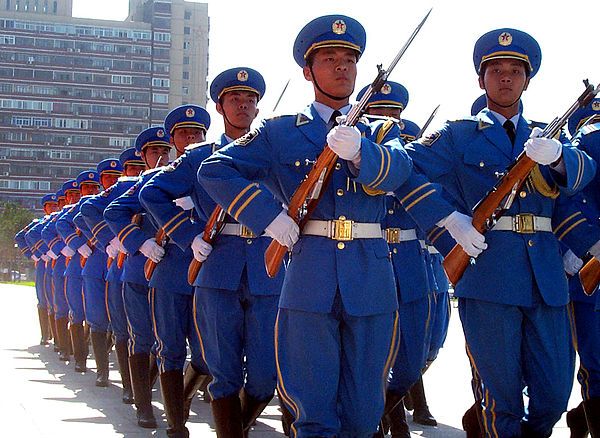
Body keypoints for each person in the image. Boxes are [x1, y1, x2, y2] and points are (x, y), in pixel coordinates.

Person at [197, 15, 479, 437]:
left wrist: (363, 153)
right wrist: (271, 219)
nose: (342, 66)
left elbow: (402, 171)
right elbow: (215, 169)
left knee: (365, 407)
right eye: (330, 59)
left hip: (371, 276)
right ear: (308, 71)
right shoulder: (280, 132)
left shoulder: (382, 130)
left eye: (349, 59)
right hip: (310, 274)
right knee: (312, 404)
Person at [397, 28, 596, 437]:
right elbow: (405, 172)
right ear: (481, 79)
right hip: (488, 275)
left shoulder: (548, 135)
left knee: (555, 395)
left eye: (515, 70)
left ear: (527, 79)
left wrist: (559, 157)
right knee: (498, 397)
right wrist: (449, 223)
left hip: (545, 279)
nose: (506, 77)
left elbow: (583, 174)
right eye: (496, 70)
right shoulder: (457, 135)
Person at [140, 69, 286, 437]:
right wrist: (188, 236)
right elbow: (151, 194)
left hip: (267, 269)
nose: (244, 105)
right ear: (220, 107)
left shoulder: (274, 151)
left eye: (250, 99)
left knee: (266, 379)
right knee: (223, 373)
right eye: (235, 99)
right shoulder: (200, 157)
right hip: (218, 266)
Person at [355, 82, 436, 437]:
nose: (386, 121)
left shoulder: (412, 156)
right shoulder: (350, 150)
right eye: (378, 113)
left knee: (412, 359)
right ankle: (387, 421)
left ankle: (389, 407)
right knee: (370, 356)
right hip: (368, 260)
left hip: (408, 262)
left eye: (393, 115)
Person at [136, 104, 212, 438]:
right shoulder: (155, 178)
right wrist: (141, 242)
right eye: (184, 134)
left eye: (197, 133)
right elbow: (119, 210)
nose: (192, 138)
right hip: (169, 271)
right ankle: (176, 423)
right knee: (170, 348)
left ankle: (180, 398)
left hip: (209, 274)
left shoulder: (217, 168)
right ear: (173, 140)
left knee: (207, 356)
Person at [104, 127, 171, 429]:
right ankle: (143, 404)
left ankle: (152, 389)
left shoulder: (181, 178)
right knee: (142, 337)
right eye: (155, 152)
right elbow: (98, 210)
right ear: (143, 156)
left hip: (174, 273)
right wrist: (131, 240)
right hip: (139, 273)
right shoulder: (130, 184)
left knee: (171, 345)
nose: (162, 157)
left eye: (165, 151)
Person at [80, 148, 146, 405]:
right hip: (121, 269)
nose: (137, 172)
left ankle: (145, 383)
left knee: (151, 336)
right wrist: (110, 240)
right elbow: (83, 212)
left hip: (156, 268)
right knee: (122, 330)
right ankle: (126, 384)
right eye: (132, 168)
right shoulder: (120, 191)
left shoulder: (165, 180)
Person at [560, 98, 600, 438]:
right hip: (590, 267)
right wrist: (582, 245)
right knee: (595, 362)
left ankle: (580, 416)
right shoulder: (587, 143)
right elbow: (567, 198)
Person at [73, 160, 122, 387]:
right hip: (96, 267)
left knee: (120, 321)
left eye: (116, 176)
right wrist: (102, 240)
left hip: (120, 266)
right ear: (101, 180)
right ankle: (102, 370)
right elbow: (78, 219)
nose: (112, 181)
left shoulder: (125, 196)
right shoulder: (95, 203)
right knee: (98, 319)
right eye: (108, 178)